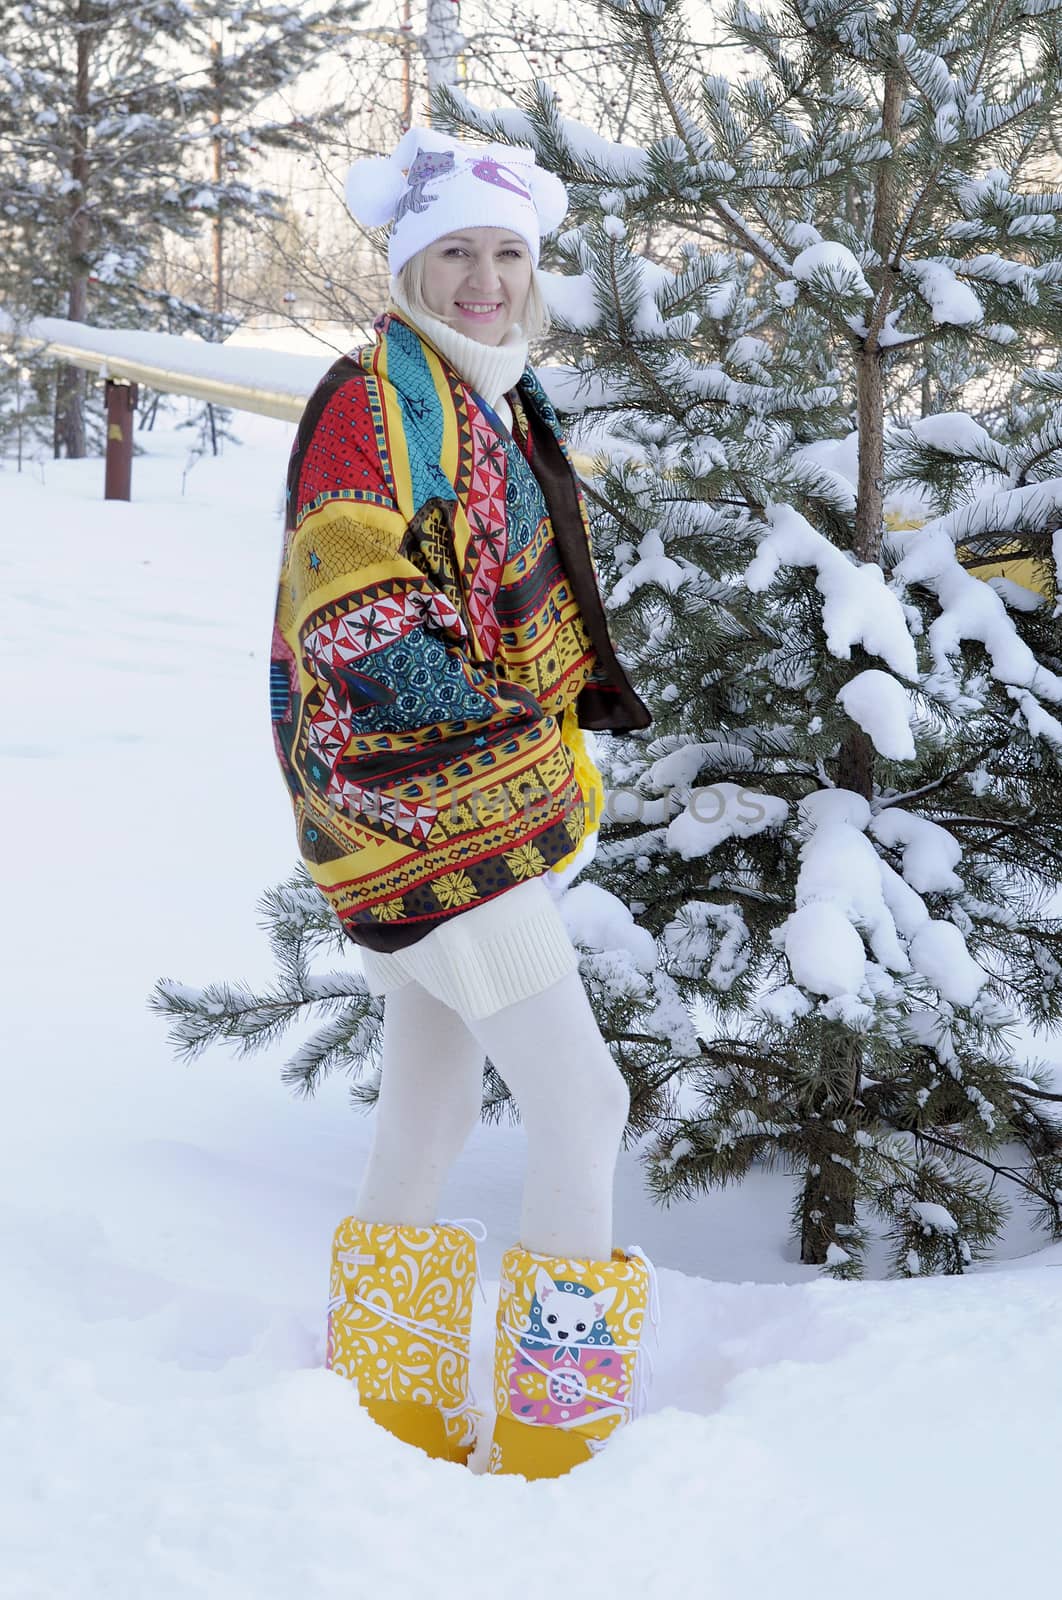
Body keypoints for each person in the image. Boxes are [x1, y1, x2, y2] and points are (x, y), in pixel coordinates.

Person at [270, 125, 658, 1479]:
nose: (483, 279)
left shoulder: (498, 394)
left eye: (505, 253)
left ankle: (391, 1402)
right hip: (430, 812)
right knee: (584, 1103)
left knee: (426, 1102)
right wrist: (499, 736)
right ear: (407, 265)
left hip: (477, 802)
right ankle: (559, 1429)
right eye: (454, 254)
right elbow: (355, 613)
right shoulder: (369, 397)